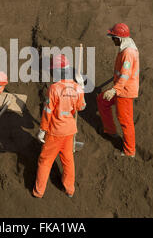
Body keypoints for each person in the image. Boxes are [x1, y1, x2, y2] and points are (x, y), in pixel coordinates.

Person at [33, 54, 86, 198]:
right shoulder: (76, 88)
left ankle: (38, 192)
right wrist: (81, 88)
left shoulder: (54, 88)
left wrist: (42, 130)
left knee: (45, 161)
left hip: (55, 131)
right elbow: (81, 107)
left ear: (57, 72)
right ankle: (69, 190)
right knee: (68, 160)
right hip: (69, 130)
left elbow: (47, 111)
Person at [97, 23, 140, 157]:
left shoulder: (128, 53)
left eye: (113, 37)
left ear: (119, 38)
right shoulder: (127, 45)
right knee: (102, 100)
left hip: (124, 91)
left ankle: (129, 151)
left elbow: (125, 75)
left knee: (125, 121)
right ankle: (110, 131)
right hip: (120, 88)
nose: (112, 39)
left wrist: (114, 90)